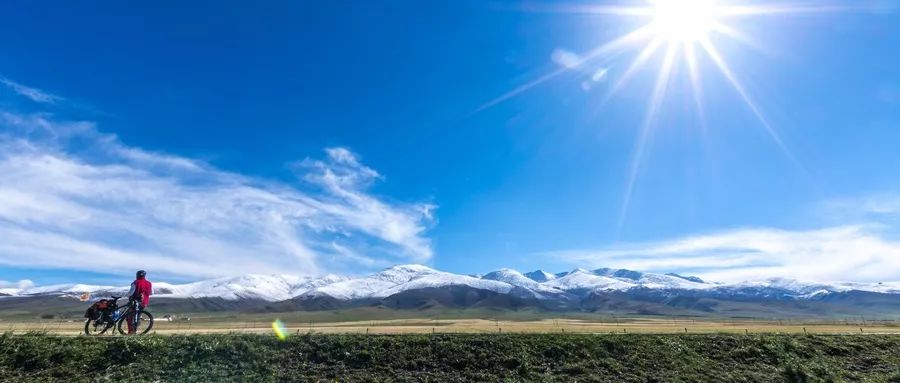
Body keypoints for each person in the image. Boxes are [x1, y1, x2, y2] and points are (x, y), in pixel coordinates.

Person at [126, 270, 153, 334]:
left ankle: (131, 331)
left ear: (137, 275)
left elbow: (131, 293)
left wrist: (127, 296)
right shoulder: (149, 283)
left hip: (135, 302)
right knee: (138, 315)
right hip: (144, 303)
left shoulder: (135, 282)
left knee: (129, 316)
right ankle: (135, 329)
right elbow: (151, 293)